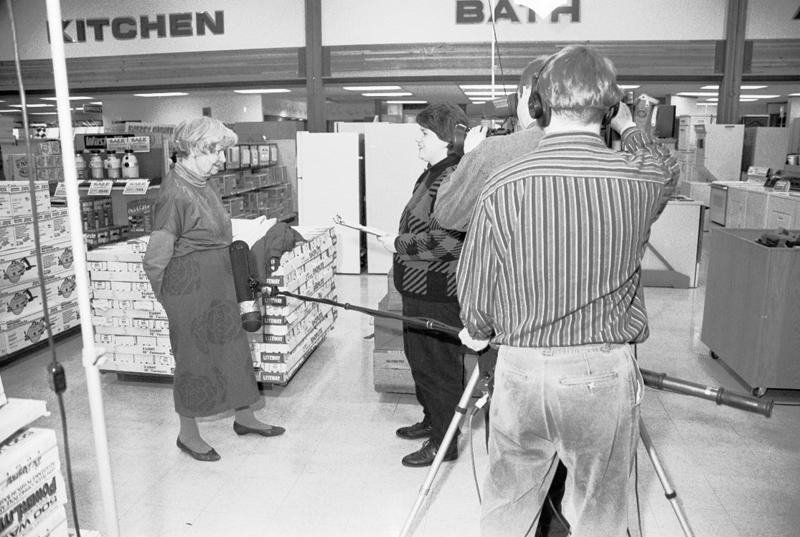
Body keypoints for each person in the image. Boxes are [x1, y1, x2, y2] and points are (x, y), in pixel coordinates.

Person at [457, 45, 678, 536]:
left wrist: (479, 327)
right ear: (608, 105)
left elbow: (475, 287)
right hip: (600, 374)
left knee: (506, 509)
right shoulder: (638, 177)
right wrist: (629, 126)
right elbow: (667, 165)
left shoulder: (503, 181)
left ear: (539, 104)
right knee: (598, 515)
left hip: (519, 372)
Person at [143, 117, 284, 463]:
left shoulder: (203, 183)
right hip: (190, 290)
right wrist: (173, 301)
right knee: (193, 358)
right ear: (191, 149)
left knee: (233, 349)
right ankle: (187, 434)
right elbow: (155, 259)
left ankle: (244, 417)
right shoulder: (174, 194)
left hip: (219, 284)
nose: (222, 160)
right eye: (216, 151)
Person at [376, 102, 469, 467]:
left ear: (449, 140)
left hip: (438, 292)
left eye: (425, 134)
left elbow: (452, 243)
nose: (418, 140)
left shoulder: (453, 180)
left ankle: (445, 442)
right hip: (418, 287)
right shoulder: (433, 174)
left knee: (438, 366)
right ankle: (433, 420)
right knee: (420, 360)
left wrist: (397, 244)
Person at [434, 57, 546, 232]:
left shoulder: (494, 152)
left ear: (527, 94)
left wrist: (472, 155)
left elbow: (448, 213)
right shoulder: (602, 154)